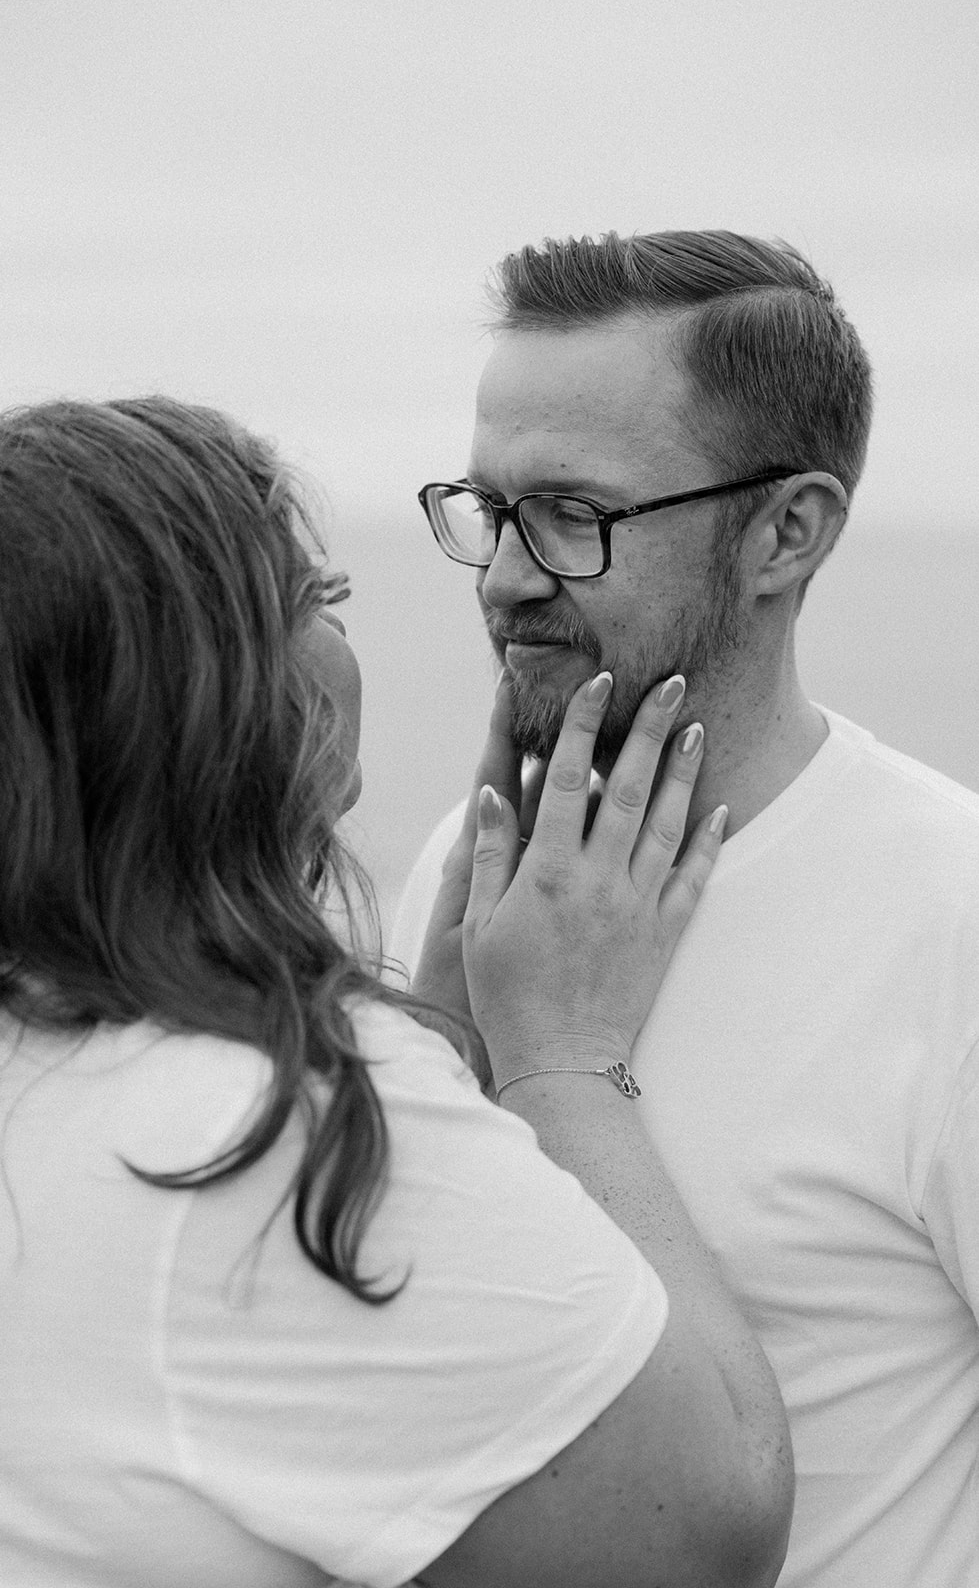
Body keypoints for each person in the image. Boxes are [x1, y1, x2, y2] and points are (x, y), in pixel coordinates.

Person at [0, 396, 792, 1588]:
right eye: (316, 604)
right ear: (209, 692)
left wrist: (426, 1045)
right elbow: (705, 1511)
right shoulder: (263, 1130)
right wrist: (559, 1055)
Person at [395, 229, 979, 1588]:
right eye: (485, 509)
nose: (502, 577)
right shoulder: (461, 867)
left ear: (786, 530)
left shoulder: (949, 917)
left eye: (572, 515)